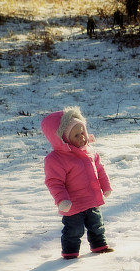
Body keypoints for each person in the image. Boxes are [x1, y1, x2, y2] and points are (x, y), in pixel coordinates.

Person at [42, 107, 113, 259]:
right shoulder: (56, 159)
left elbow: (99, 170)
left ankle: (99, 245)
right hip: (73, 204)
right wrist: (61, 200)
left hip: (92, 200)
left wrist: (105, 186)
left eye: (83, 132)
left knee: (97, 225)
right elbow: (54, 182)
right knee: (73, 230)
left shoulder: (89, 151)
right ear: (63, 138)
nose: (82, 137)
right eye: (76, 135)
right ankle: (70, 253)